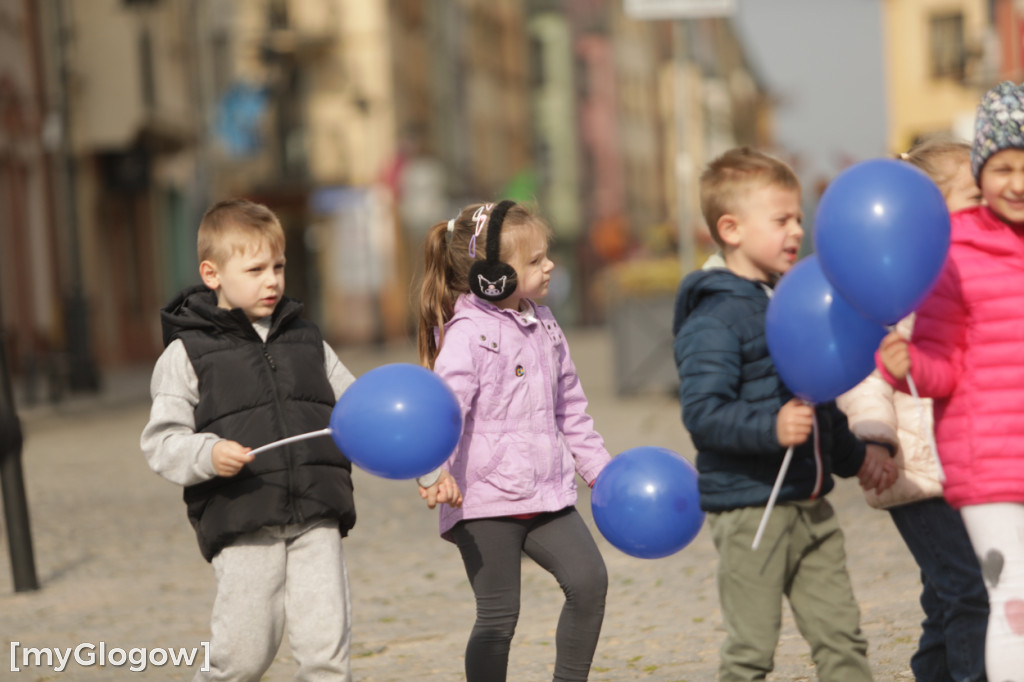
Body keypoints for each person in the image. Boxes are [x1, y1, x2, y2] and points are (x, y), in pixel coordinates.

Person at [140, 198, 461, 681]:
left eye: (278, 266)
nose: (271, 280)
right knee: (243, 656)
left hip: (317, 516)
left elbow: (367, 412)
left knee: (325, 653)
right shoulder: (187, 354)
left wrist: (431, 469)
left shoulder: (307, 340)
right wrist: (208, 453)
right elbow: (161, 442)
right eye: (255, 269)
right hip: (244, 520)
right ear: (213, 274)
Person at [672, 147, 897, 682]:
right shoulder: (716, 316)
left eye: (799, 217)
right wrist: (770, 429)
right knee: (752, 652)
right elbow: (703, 414)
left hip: (812, 505)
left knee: (842, 640)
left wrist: (856, 456)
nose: (797, 230)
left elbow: (817, 398)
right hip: (752, 511)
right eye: (781, 220)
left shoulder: (795, 299)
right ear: (731, 229)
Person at [417, 199, 612, 682]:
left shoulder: (545, 324)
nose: (549, 267)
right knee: (499, 617)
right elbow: (443, 410)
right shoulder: (467, 335)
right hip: (483, 499)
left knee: (589, 583)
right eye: (535, 261)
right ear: (492, 275)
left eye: (547, 255)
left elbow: (571, 409)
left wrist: (601, 472)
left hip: (545, 495)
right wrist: (433, 470)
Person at [877, 81, 1024, 681]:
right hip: (984, 457)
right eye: (1003, 167)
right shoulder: (953, 254)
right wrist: (907, 365)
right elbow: (942, 367)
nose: (1016, 181)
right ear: (985, 175)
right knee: (1009, 598)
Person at [838, 137, 988, 682]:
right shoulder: (897, 282)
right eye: (973, 194)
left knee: (948, 598)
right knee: (971, 591)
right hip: (917, 474)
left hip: (969, 469)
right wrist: (876, 437)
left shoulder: (975, 273)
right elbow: (863, 375)